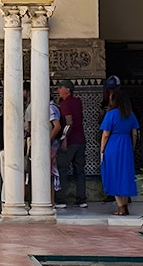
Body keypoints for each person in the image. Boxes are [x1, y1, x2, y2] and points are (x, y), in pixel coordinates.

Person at [99, 89, 140, 216]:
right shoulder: (131, 115)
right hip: (126, 145)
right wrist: (132, 147)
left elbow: (105, 134)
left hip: (113, 145)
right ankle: (125, 206)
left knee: (114, 174)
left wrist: (102, 150)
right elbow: (134, 133)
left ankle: (120, 207)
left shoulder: (110, 114)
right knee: (125, 174)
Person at [56, 79, 88, 209]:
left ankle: (61, 200)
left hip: (70, 142)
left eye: (61, 88)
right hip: (81, 140)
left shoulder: (66, 104)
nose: (58, 90)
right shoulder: (77, 101)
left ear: (67, 90)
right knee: (79, 171)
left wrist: (64, 138)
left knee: (62, 169)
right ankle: (81, 200)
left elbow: (69, 122)